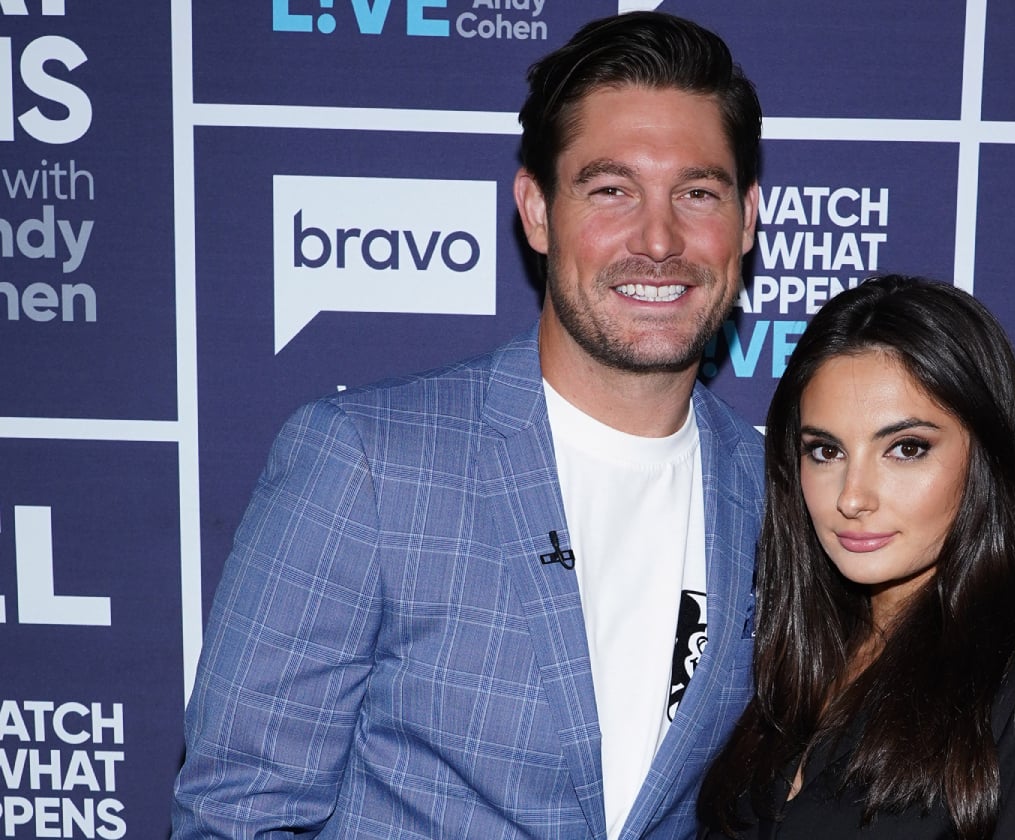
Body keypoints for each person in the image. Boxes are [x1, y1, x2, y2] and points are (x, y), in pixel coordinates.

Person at [172, 11, 765, 840]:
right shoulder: (367, 461)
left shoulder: (772, 494)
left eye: (697, 193)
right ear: (536, 210)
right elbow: (237, 817)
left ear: (747, 218)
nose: (659, 239)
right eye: (611, 190)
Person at [698, 275, 1015, 839]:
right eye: (826, 451)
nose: (852, 497)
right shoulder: (782, 664)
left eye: (906, 449)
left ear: (988, 457)